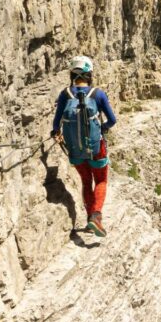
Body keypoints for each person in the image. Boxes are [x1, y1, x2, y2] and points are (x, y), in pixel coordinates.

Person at [51, 56, 117, 237]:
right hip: (96, 148)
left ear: (72, 73)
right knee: (101, 180)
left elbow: (56, 124)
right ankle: (96, 216)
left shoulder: (65, 94)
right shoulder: (97, 94)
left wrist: (56, 133)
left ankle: (90, 217)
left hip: (75, 149)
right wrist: (102, 128)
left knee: (86, 181)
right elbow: (112, 120)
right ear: (89, 74)